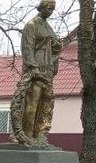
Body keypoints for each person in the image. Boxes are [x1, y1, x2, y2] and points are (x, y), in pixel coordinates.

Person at [10, 0, 62, 146]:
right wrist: (33, 68)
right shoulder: (31, 25)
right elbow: (27, 47)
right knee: (32, 103)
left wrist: (57, 45)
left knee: (45, 104)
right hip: (36, 69)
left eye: (53, 9)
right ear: (41, 8)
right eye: (49, 8)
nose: (51, 11)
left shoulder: (47, 26)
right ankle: (26, 135)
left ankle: (39, 134)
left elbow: (55, 46)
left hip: (47, 69)